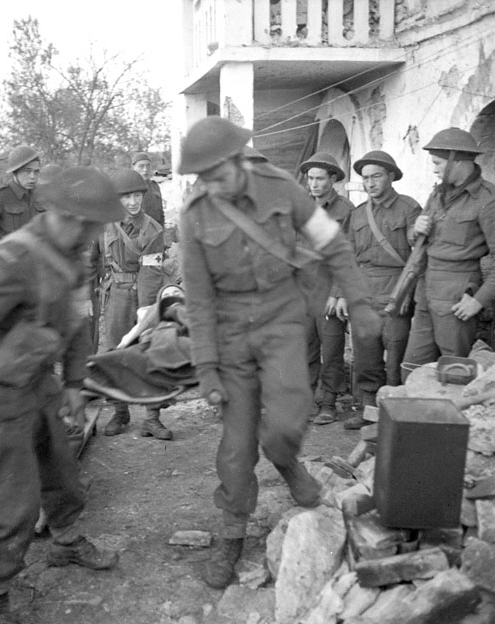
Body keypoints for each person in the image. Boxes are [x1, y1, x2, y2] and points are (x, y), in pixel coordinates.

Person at [177, 116, 380, 589]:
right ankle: (231, 534)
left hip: (281, 322)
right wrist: (206, 365)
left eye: (216, 173)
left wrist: (359, 298)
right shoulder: (195, 214)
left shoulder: (281, 187)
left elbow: (331, 242)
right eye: (201, 177)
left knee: (289, 418)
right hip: (229, 336)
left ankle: (285, 459)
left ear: (236, 161)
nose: (210, 184)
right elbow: (199, 299)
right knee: (236, 445)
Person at [0, 167, 123, 624]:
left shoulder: (71, 257)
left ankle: (66, 544)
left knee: (61, 470)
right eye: (91, 223)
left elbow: (73, 326)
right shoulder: (12, 260)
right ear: (69, 216)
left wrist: (73, 384)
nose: (94, 233)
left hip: (36, 381)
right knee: (13, 498)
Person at [343, 150, 422, 429]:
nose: (370, 183)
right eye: (365, 178)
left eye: (376, 176)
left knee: (397, 353)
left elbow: (419, 251)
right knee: (366, 356)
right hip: (364, 291)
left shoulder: (409, 208)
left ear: (391, 176)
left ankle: (394, 412)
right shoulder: (357, 214)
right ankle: (367, 410)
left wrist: (407, 293)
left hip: (396, 289)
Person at [403, 128, 495, 365]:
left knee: (454, 367)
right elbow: (416, 240)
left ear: (457, 161)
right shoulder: (437, 195)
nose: (434, 169)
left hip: (458, 291)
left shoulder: (488, 199)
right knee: (412, 365)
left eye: (438, 163)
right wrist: (415, 229)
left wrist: (479, 300)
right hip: (426, 287)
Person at [97, 169, 170, 440]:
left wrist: (145, 313)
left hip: (142, 293)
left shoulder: (153, 230)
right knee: (115, 352)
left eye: (137, 196)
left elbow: (151, 275)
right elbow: (94, 259)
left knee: (148, 351)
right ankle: (120, 412)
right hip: (115, 294)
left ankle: (152, 418)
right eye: (126, 197)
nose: (133, 202)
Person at [299, 152, 354, 425]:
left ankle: (329, 402)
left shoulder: (345, 210)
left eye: (320, 178)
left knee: (332, 348)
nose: (314, 184)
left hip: (329, 290)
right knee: (306, 347)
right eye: (310, 178)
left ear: (333, 179)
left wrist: (338, 292)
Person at [132, 151, 165, 227]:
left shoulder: (154, 186)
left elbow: (160, 212)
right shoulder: (129, 187)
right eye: (141, 166)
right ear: (133, 167)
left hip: (156, 229)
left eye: (148, 166)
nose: (145, 169)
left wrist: (162, 228)